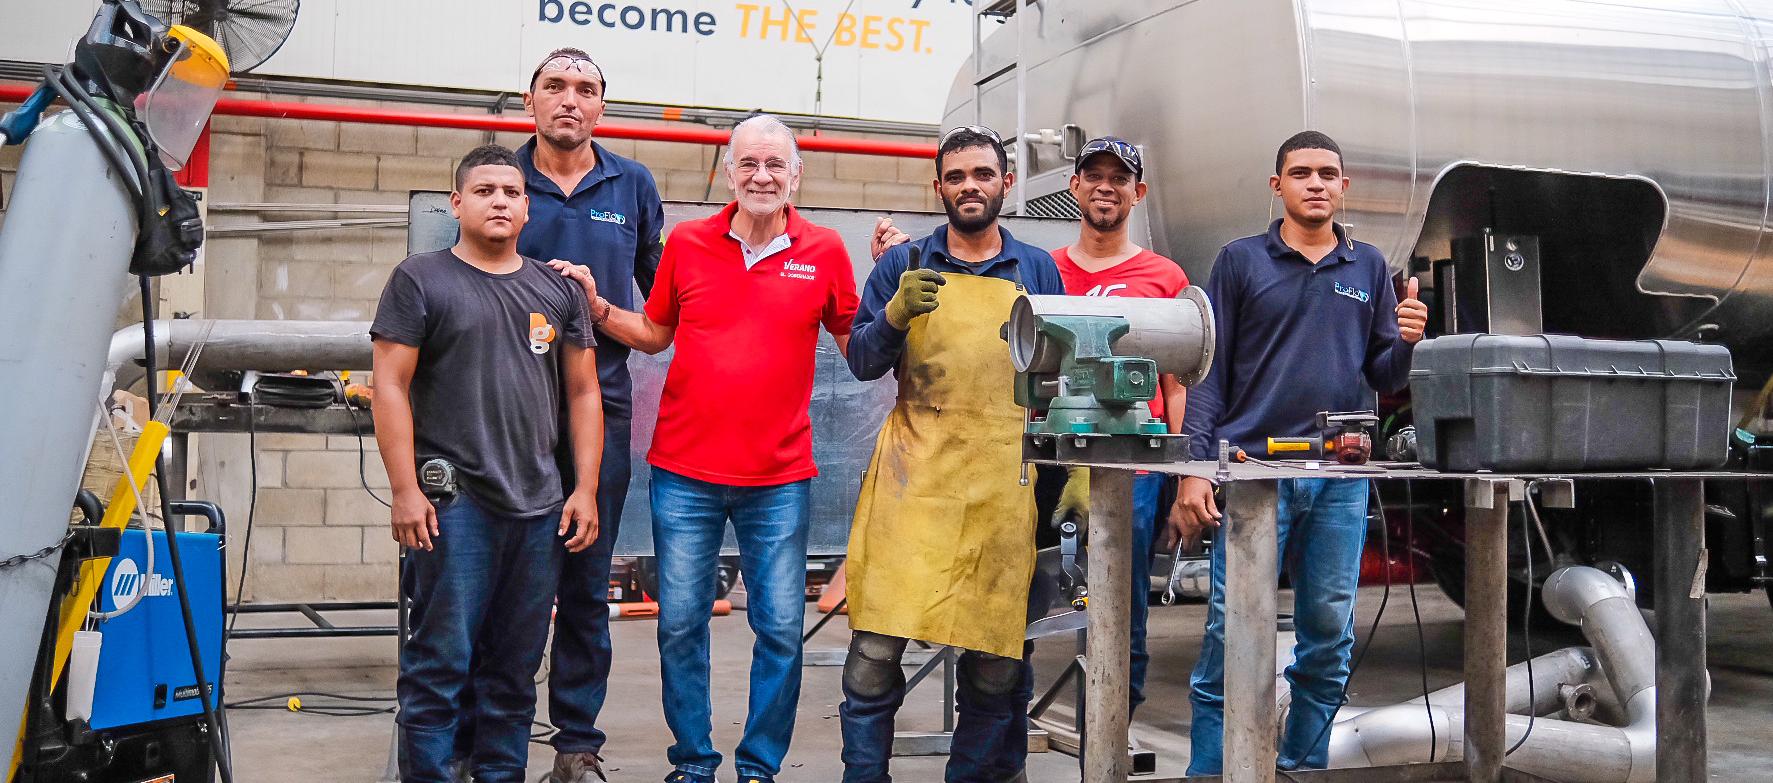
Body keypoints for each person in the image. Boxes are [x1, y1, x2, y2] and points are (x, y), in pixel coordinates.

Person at [549, 114, 859, 783]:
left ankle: (758, 767)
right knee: (679, 628)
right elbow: (656, 332)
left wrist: (896, 281)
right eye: (748, 163)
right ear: (728, 172)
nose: (761, 176)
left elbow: (860, 348)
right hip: (684, 471)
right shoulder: (689, 244)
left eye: (775, 164)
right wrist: (600, 307)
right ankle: (693, 761)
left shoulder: (825, 250)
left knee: (778, 631)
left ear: (796, 175)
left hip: (779, 477)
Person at [1176, 130, 1428, 773]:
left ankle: (1301, 765)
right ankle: (1212, 770)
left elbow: (1385, 376)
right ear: (1277, 185)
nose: (1315, 183)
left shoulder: (1368, 266)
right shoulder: (1239, 261)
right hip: (1256, 475)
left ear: (1345, 187)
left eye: (1328, 174)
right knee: (1232, 635)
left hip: (1341, 477)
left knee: (1328, 639)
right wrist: (1195, 471)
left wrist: (1406, 341)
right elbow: (1210, 373)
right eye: (1301, 172)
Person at [838, 125, 1065, 783]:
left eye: (982, 174)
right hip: (915, 478)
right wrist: (892, 317)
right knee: (874, 652)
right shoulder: (901, 265)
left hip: (1002, 483)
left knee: (996, 662)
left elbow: (1056, 380)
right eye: (957, 176)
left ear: (1005, 183)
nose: (970, 186)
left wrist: (1069, 474)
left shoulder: (1038, 268)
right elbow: (858, 360)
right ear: (938, 187)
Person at [371, 144, 604, 783]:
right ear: (457, 203)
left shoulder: (555, 290)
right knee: (440, 668)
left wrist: (583, 487)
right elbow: (388, 386)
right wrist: (403, 489)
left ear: (527, 207)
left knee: (513, 671)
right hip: (455, 508)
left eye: (511, 191)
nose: (499, 200)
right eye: (484, 191)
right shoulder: (420, 279)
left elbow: (584, 393)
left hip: (539, 511)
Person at [500, 47, 665, 783]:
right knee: (502, 583)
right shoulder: (501, 178)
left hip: (601, 406)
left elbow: (663, 317)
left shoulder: (631, 185)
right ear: (528, 101)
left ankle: (576, 745)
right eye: (555, 86)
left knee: (584, 581)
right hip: (500, 413)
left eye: (586, 89)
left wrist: (598, 308)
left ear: (603, 105)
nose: (571, 99)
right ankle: (487, 742)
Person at [1048, 136, 1191, 715]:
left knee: (1119, 596)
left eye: (1120, 177)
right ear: (1074, 186)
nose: (1106, 186)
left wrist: (1184, 476)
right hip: (1051, 457)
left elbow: (1178, 384)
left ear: (1139, 192)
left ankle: (1110, 724)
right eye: (1094, 176)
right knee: (1029, 589)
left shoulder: (1164, 276)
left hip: (1133, 464)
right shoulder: (1042, 269)